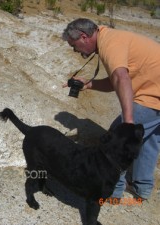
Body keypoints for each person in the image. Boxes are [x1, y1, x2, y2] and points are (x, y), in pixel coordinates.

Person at [62, 18, 160, 200]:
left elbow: (121, 77)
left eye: (74, 45)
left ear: (83, 37)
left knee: (117, 140)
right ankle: (142, 189)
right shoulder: (110, 38)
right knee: (149, 141)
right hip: (155, 90)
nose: (75, 51)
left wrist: (128, 122)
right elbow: (116, 81)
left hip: (153, 94)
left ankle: (113, 190)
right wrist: (89, 84)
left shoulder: (109, 43)